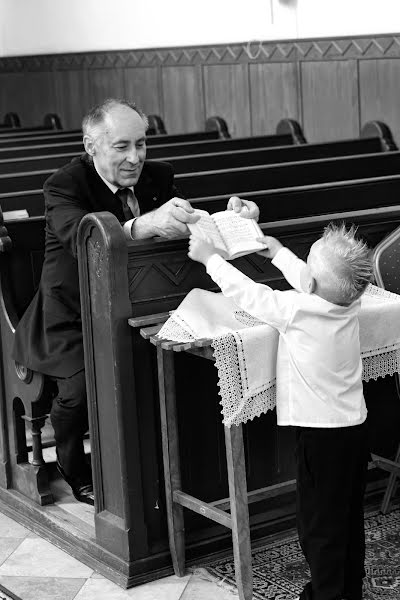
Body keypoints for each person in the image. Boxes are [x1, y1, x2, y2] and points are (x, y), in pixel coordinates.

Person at [12, 98, 259, 506]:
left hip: (139, 303)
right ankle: (73, 466)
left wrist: (230, 218)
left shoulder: (159, 176)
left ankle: (162, 465)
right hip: (72, 315)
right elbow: (81, 238)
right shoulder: (65, 184)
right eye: (122, 146)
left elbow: (188, 226)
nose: (135, 158)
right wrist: (144, 224)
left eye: (141, 145)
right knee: (80, 390)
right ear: (92, 146)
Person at [188, 223, 373, 600]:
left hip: (320, 439)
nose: (303, 266)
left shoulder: (297, 309)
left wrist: (210, 258)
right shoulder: (349, 302)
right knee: (347, 518)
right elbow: (312, 279)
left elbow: (250, 295)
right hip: (353, 430)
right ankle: (345, 589)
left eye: (308, 260)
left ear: (314, 282)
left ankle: (328, 595)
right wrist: (278, 252)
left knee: (318, 526)